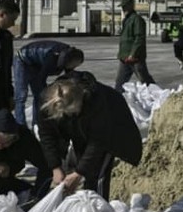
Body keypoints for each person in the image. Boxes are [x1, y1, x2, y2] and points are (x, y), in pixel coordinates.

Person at [38, 71, 143, 200]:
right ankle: (87, 205)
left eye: (72, 113)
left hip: (113, 128)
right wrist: (55, 166)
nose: (70, 115)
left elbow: (97, 143)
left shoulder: (96, 102)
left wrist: (78, 174)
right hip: (83, 129)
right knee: (85, 166)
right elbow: (47, 135)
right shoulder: (47, 102)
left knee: (97, 172)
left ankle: (99, 209)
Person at [13, 40, 84, 127]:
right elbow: (41, 77)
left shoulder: (66, 59)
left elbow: (68, 77)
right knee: (21, 96)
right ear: (71, 60)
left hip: (37, 64)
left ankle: (37, 124)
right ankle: (21, 125)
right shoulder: (53, 56)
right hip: (23, 60)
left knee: (39, 96)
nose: (74, 67)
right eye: (74, 65)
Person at [115, 0, 155, 91]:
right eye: (122, 7)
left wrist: (133, 54)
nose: (123, 9)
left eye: (125, 6)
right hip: (124, 58)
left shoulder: (137, 19)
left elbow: (139, 38)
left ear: (131, 6)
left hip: (135, 58)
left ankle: (157, 95)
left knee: (145, 80)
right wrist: (121, 54)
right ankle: (116, 100)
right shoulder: (126, 20)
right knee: (120, 82)